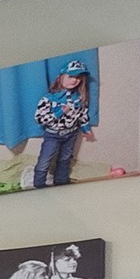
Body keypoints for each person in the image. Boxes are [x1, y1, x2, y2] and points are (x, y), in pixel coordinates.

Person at [32, 59, 95, 188]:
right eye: (71, 76)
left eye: (78, 77)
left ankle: (61, 182)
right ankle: (38, 186)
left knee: (65, 159)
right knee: (45, 161)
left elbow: (82, 114)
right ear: (61, 77)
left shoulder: (79, 97)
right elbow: (39, 119)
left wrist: (86, 128)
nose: (74, 80)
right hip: (53, 135)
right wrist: (59, 112)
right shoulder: (49, 98)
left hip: (71, 134)